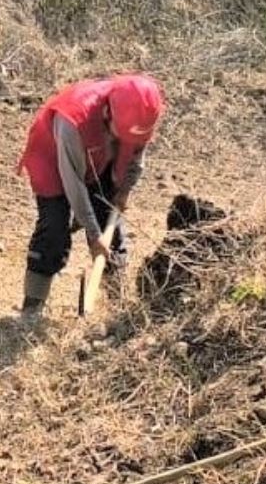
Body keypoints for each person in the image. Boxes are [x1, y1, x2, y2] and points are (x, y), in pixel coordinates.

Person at [15, 73, 164, 318]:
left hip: (101, 158)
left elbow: (136, 158)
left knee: (110, 224)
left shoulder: (141, 116)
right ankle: (32, 307)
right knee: (54, 227)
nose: (126, 140)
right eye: (121, 134)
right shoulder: (73, 119)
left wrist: (123, 191)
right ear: (108, 112)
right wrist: (95, 236)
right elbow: (72, 182)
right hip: (53, 158)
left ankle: (119, 308)